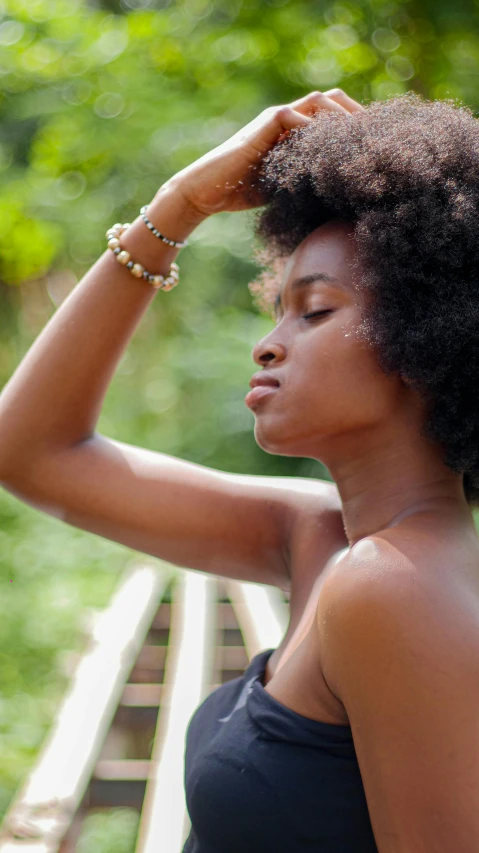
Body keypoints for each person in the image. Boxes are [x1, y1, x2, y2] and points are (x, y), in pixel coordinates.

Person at [1, 87, 479, 852]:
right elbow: (32, 453)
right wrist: (178, 205)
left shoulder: (393, 584)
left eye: (314, 311)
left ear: (427, 340)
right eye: (276, 309)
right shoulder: (322, 535)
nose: (267, 344)